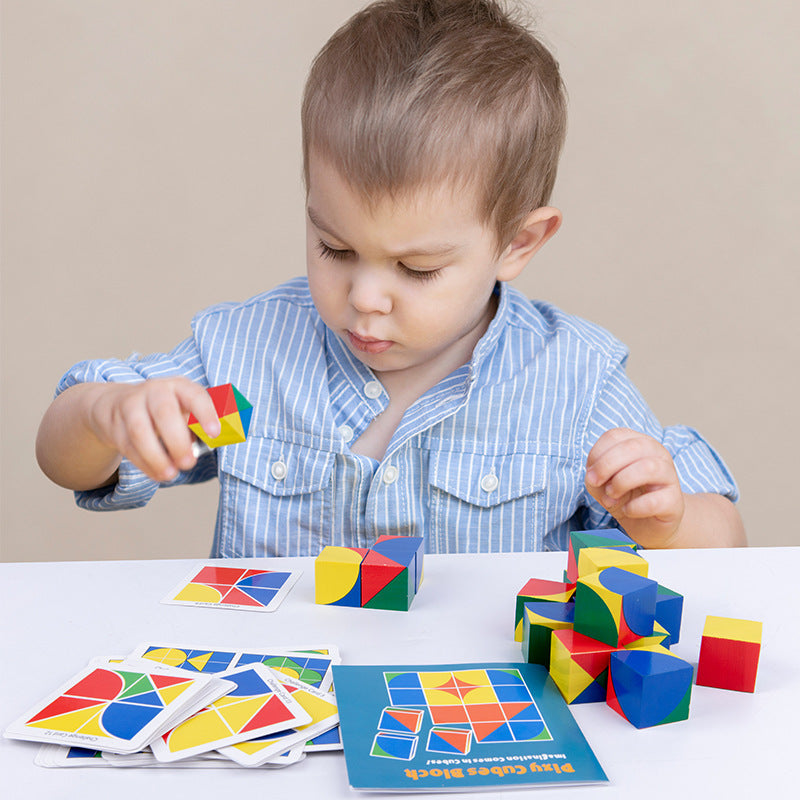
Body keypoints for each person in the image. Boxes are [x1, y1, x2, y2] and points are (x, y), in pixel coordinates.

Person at [36, 0, 746, 557]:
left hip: (477, 725)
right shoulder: (248, 355)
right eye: (335, 248)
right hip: (287, 713)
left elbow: (728, 544)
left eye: (418, 268)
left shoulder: (572, 380)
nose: (365, 298)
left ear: (516, 243)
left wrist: (667, 518)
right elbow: (67, 462)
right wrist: (107, 415)